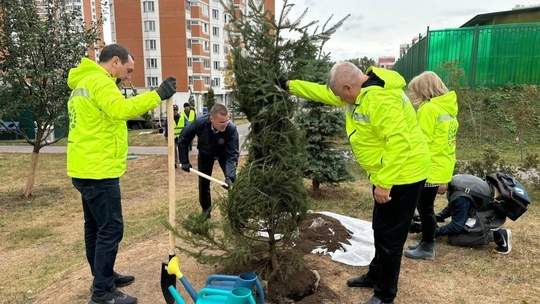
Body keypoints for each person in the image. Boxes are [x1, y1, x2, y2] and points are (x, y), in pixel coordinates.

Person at [281, 62, 431, 304]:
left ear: (349, 86)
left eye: (342, 95)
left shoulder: (381, 99)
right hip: (388, 171)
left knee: (391, 237)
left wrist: (384, 183)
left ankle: (384, 295)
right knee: (380, 229)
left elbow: (399, 143)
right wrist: (290, 86)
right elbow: (324, 93)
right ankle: (375, 275)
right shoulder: (360, 92)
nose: (341, 100)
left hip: (403, 174)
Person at [67, 43, 177, 304]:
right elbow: (121, 110)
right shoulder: (101, 82)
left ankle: (102, 276)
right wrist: (158, 94)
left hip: (85, 166)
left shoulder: (84, 82)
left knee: (95, 228)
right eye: (128, 70)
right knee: (111, 229)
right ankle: (103, 292)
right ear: (115, 61)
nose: (128, 76)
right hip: (98, 170)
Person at [403, 71, 459, 260]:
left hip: (428, 166)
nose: (415, 96)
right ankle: (426, 242)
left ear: (425, 90)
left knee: (425, 208)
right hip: (441, 164)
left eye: (416, 91)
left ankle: (428, 246)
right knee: (426, 207)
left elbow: (421, 140)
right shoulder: (448, 108)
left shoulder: (429, 109)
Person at [178, 104, 239, 220]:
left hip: (224, 154)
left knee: (232, 182)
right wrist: (184, 161)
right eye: (221, 122)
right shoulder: (200, 123)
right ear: (212, 119)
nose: (225, 125)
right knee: (203, 184)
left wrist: (229, 175)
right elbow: (183, 139)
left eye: (227, 121)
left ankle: (235, 213)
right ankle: (206, 212)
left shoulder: (231, 128)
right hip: (205, 154)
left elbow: (233, 154)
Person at [434, 174, 512, 254]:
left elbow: (456, 226)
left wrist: (433, 232)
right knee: (455, 227)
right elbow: (453, 206)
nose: (434, 192)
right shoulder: (454, 181)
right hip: (485, 204)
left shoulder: (460, 197)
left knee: (454, 238)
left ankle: (499, 236)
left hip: (491, 213)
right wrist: (437, 217)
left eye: (435, 188)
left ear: (442, 183)